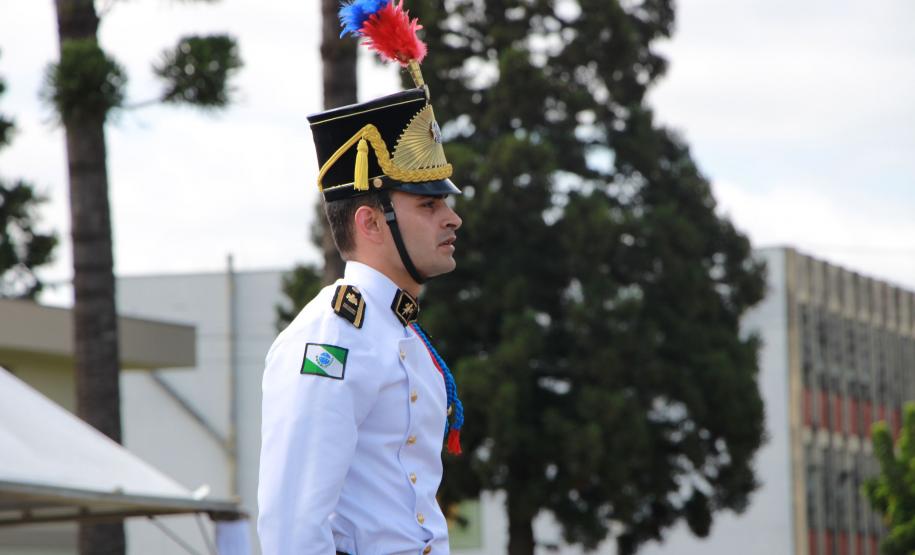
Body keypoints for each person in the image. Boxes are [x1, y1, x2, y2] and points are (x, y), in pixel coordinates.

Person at [256, 8, 465, 551]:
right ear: (371, 222)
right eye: (428, 205)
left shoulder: (401, 331)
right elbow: (292, 531)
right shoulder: (329, 338)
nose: (452, 219)